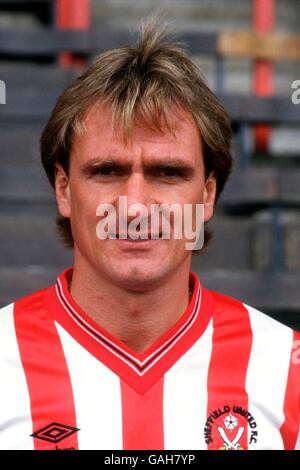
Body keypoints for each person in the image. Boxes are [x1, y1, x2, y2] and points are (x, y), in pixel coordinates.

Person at [0, 17, 299, 451]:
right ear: (64, 190)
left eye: (168, 172)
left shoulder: (285, 369)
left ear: (208, 194)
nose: (136, 205)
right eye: (106, 171)